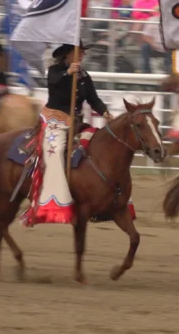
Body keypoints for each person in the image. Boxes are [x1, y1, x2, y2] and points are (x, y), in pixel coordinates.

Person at [32, 43, 111, 224]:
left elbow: (93, 99)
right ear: (67, 54)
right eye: (78, 52)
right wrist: (68, 74)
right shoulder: (55, 70)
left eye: (83, 52)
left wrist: (105, 112)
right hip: (55, 121)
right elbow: (53, 82)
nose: (82, 55)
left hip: (76, 123)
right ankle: (52, 202)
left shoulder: (84, 76)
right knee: (56, 151)